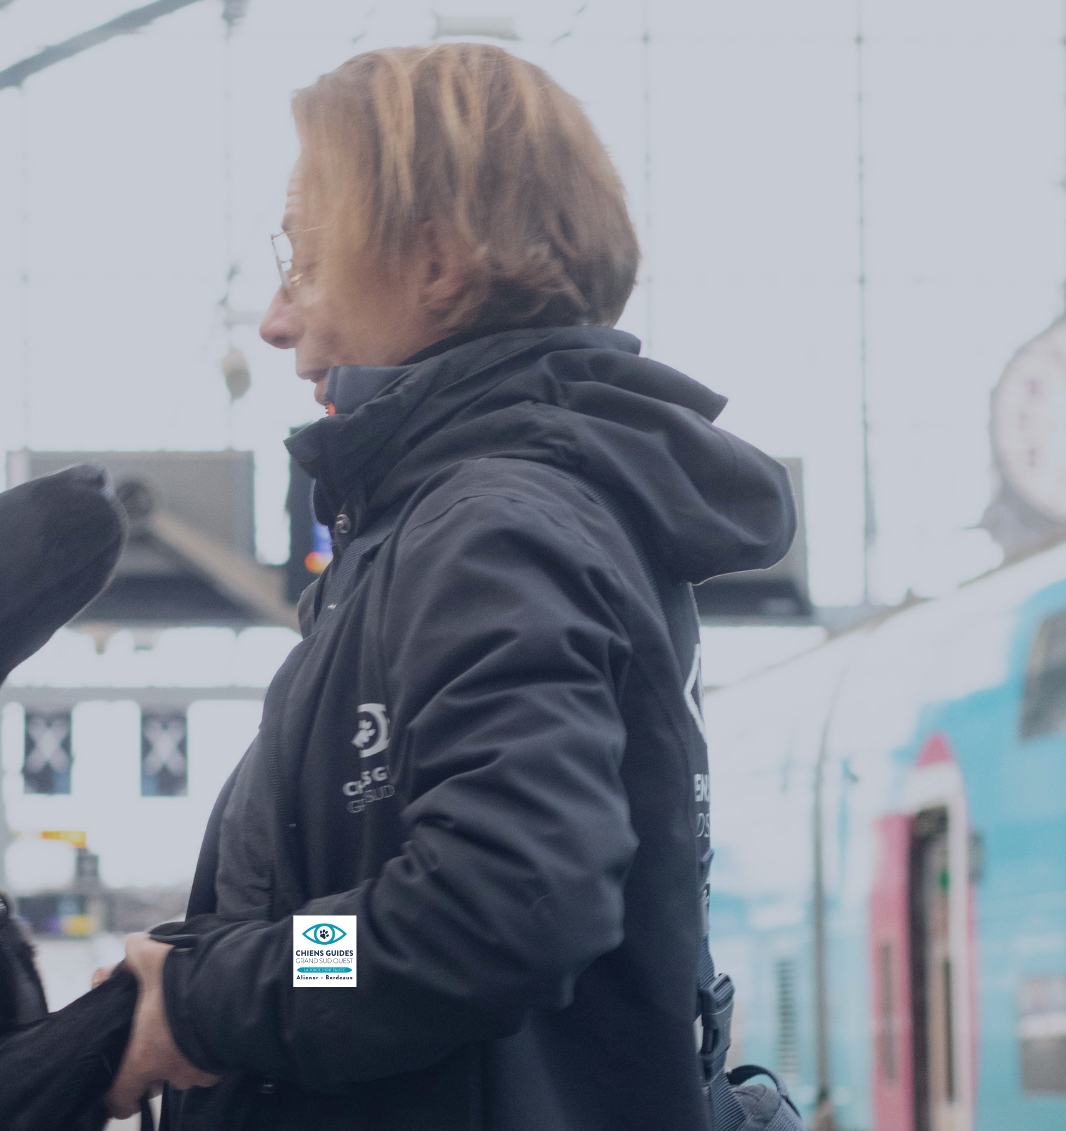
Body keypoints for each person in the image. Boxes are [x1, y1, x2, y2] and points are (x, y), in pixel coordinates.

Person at [104, 43, 796, 1131]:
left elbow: (493, 909)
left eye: (305, 256)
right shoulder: (472, 523)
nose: (278, 321)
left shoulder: (490, 529)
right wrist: (220, 966)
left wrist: (211, 997)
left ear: (437, 267)